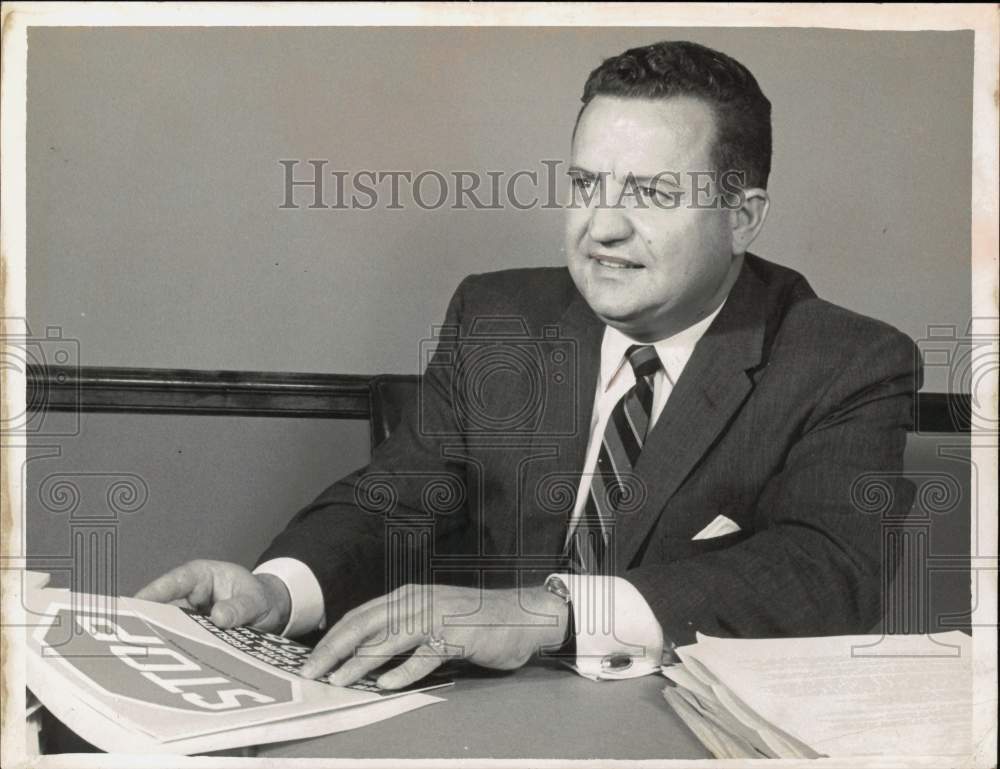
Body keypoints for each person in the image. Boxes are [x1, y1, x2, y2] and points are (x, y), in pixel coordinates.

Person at [138, 40, 920, 690]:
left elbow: (827, 572)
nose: (602, 227)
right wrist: (279, 590)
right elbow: (400, 494)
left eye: (650, 192)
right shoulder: (499, 319)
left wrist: (548, 612)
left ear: (742, 217)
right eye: (585, 184)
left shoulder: (843, 361)